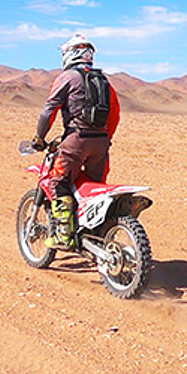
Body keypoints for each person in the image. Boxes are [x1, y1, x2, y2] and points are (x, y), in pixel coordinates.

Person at [30, 33, 121, 246]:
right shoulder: (103, 81)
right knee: (94, 189)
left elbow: (49, 109)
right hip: (101, 144)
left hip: (76, 141)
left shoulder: (67, 78)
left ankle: (64, 235)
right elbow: (115, 113)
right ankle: (97, 235)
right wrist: (106, 138)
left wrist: (39, 137)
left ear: (70, 54)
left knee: (57, 182)